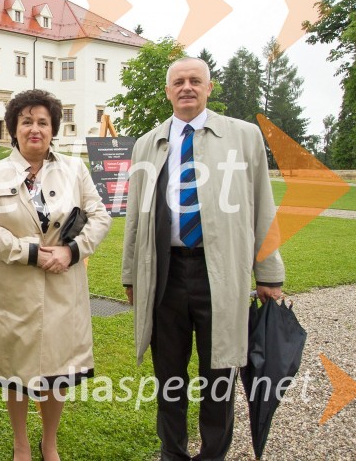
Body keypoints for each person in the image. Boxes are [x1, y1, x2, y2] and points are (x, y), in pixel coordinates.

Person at [121, 57, 285, 461]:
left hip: (221, 273)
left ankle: (213, 454)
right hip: (165, 275)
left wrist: (269, 272)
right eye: (179, 81)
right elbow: (135, 216)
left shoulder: (244, 137)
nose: (187, 87)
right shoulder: (148, 143)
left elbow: (263, 205)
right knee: (169, 377)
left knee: (220, 376)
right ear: (168, 91)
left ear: (210, 88)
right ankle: (172, 453)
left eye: (196, 80)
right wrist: (130, 274)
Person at [0, 89, 111, 461]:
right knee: (13, 367)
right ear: (13, 128)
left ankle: (49, 442)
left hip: (63, 283)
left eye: (43, 122)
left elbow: (99, 217)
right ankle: (21, 444)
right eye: (26, 122)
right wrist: (31, 253)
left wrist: (71, 251)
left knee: (58, 367)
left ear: (53, 129)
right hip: (12, 286)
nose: (35, 129)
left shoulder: (74, 169)